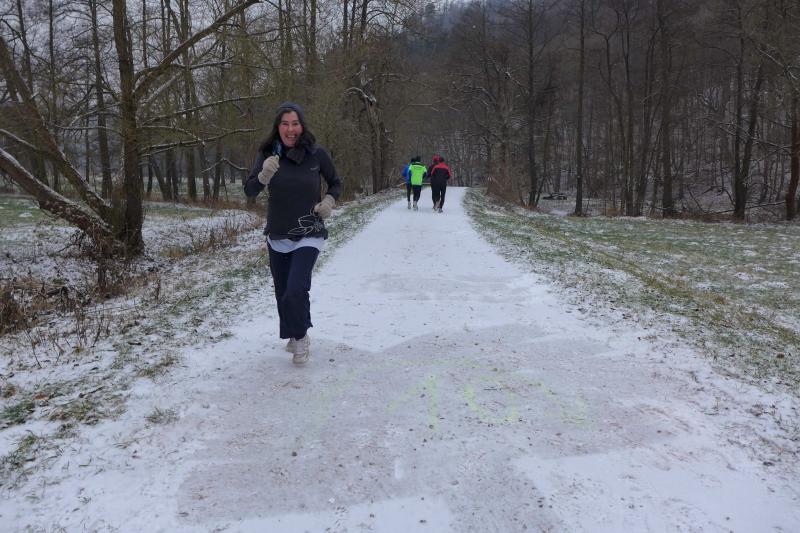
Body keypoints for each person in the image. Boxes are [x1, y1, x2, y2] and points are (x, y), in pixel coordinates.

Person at [244, 102, 342, 365]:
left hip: (310, 230)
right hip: (278, 232)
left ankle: (300, 337)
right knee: (283, 292)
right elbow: (250, 190)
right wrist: (263, 176)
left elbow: (335, 182)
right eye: (285, 124)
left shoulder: (316, 154)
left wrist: (329, 201)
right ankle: (296, 330)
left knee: (295, 289)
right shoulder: (268, 154)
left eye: (295, 124)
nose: (290, 129)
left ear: (302, 126)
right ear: (278, 127)